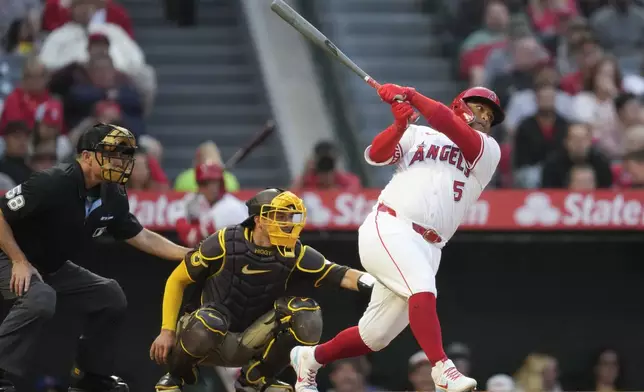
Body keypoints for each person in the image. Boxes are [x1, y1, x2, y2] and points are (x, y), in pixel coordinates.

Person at [290, 84, 506, 392]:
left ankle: (310, 358)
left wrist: (412, 95)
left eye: (490, 114)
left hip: (430, 246)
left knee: (374, 336)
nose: (484, 116)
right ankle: (442, 369)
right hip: (391, 226)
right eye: (479, 106)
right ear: (460, 103)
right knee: (422, 288)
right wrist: (400, 125)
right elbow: (377, 155)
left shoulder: (487, 149)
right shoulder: (419, 134)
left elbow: (445, 121)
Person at [0, 123, 191, 392]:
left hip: (48, 265)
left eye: (125, 155)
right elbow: (0, 214)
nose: (121, 161)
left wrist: (188, 255)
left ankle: (90, 377)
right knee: (40, 297)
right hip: (8, 255)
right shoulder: (53, 181)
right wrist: (18, 260)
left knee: (108, 295)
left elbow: (140, 235)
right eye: (113, 153)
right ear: (86, 156)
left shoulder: (112, 194)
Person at [149, 188, 376, 392]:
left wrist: (377, 283)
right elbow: (177, 280)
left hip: (251, 340)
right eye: (280, 216)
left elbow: (339, 273)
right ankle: (176, 375)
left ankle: (255, 377)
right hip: (206, 335)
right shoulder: (225, 242)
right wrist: (166, 331)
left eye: (290, 217)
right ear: (259, 219)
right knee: (211, 321)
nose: (287, 223)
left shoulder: (293, 252)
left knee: (307, 313)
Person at [176, 160, 248, 248]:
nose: (210, 188)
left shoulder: (230, 207)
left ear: (220, 184)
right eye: (204, 183)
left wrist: (187, 221)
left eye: (213, 182)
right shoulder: (199, 201)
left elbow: (194, 239)